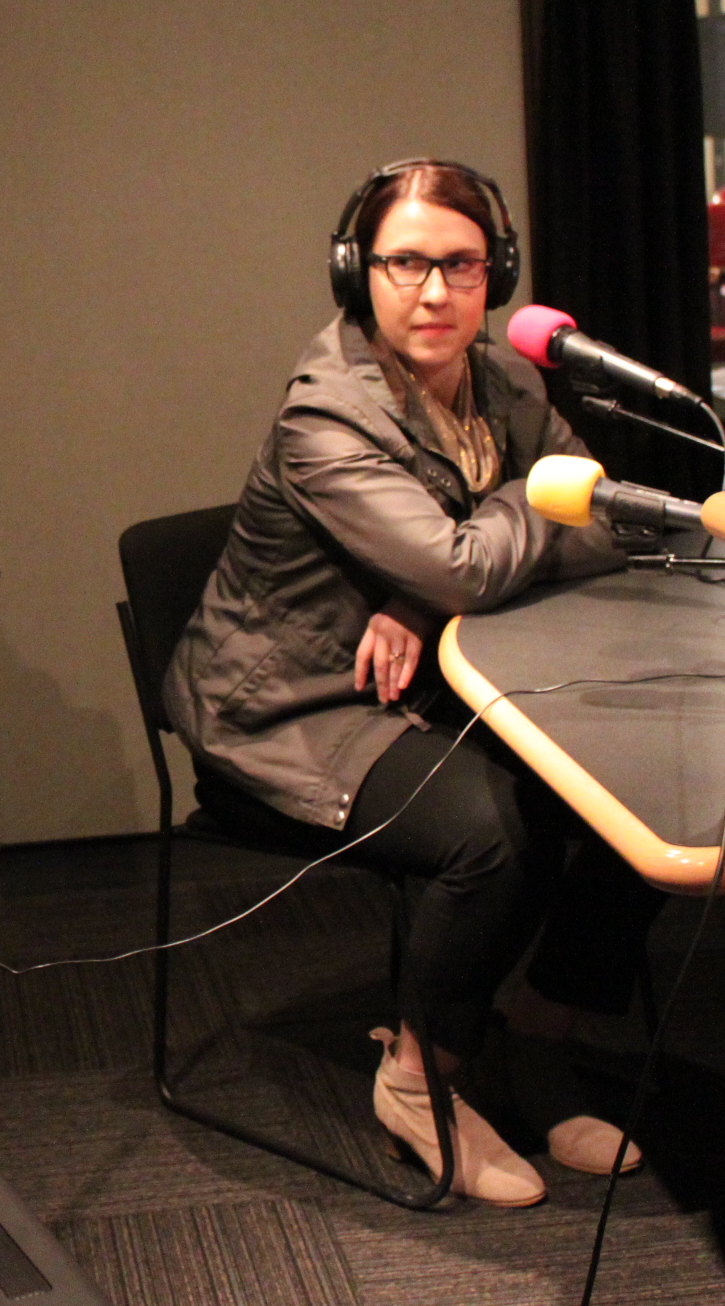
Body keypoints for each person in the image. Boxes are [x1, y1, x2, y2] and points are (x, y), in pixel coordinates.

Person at [163, 159, 666, 1207]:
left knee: (637, 789)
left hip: (420, 671)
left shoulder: (509, 383)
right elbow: (477, 556)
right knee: (497, 831)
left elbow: (607, 522)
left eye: (462, 265)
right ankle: (417, 1075)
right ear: (360, 271)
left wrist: (432, 595)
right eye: (406, 262)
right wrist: (492, 536)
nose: (434, 292)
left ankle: (536, 1024)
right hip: (292, 705)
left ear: (497, 275)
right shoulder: (326, 416)